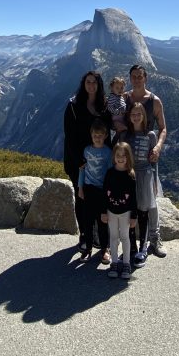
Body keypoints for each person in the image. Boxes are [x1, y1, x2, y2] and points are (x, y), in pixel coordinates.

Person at [125, 64, 168, 258]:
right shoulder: (124, 99)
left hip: (149, 158)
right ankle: (132, 240)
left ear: (145, 78)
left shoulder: (154, 101)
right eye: (133, 76)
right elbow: (113, 119)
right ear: (130, 78)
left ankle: (155, 238)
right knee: (130, 199)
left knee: (151, 200)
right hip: (128, 158)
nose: (136, 79)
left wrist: (158, 146)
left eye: (140, 76)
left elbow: (163, 128)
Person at [63, 70, 109, 247]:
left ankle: (98, 235)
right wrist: (80, 161)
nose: (91, 85)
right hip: (79, 162)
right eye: (88, 82)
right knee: (82, 197)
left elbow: (107, 133)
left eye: (95, 82)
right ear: (84, 84)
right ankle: (84, 234)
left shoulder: (103, 105)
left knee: (99, 198)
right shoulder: (73, 105)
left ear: (99, 85)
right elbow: (69, 136)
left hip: (99, 162)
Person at [126, 101, 161, 267]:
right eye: (133, 114)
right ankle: (132, 246)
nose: (136, 117)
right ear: (129, 116)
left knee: (144, 212)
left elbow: (154, 161)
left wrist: (155, 181)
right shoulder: (125, 135)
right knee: (130, 212)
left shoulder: (151, 135)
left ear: (144, 116)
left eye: (139, 114)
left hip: (146, 175)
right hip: (130, 176)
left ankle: (143, 247)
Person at [76, 119, 113, 262]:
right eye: (95, 135)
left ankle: (105, 249)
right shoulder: (86, 150)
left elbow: (110, 172)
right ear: (91, 135)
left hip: (102, 191)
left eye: (100, 135)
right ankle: (88, 248)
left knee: (103, 221)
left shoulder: (108, 152)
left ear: (105, 136)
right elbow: (82, 170)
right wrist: (80, 188)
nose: (97, 138)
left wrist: (109, 191)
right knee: (88, 222)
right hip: (88, 189)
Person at [102, 141, 137, 279]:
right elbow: (104, 193)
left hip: (125, 213)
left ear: (128, 157)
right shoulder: (110, 173)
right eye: (118, 155)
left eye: (124, 155)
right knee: (114, 237)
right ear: (114, 156)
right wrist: (103, 211)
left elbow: (134, 198)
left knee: (125, 237)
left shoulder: (130, 175)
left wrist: (134, 216)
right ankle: (115, 263)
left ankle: (126, 263)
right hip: (111, 211)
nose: (121, 158)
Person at [106, 76, 127, 143]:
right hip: (116, 118)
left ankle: (116, 144)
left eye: (121, 88)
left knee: (120, 133)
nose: (120, 90)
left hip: (121, 118)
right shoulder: (112, 97)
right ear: (112, 88)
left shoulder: (119, 96)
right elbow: (110, 107)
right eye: (117, 88)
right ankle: (115, 144)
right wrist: (118, 112)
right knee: (123, 130)